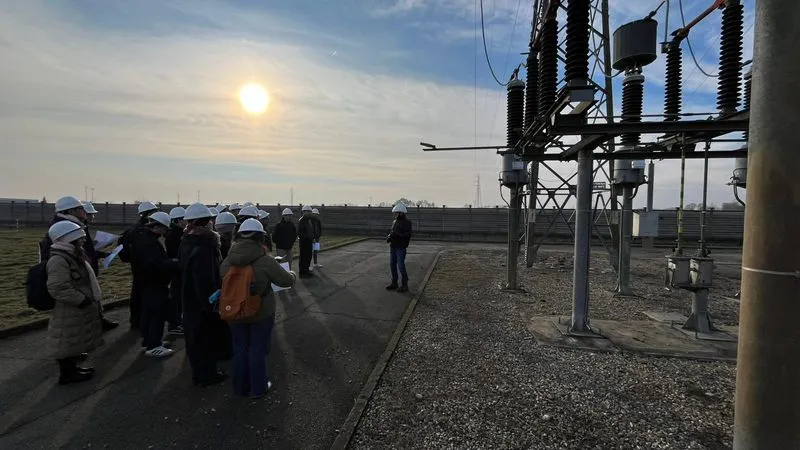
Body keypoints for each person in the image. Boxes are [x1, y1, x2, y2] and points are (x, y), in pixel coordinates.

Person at [221, 219, 296, 398]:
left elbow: (221, 276)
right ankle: (258, 388)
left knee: (240, 349)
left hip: (234, 311)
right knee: (257, 349)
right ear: (260, 236)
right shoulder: (265, 260)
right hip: (260, 311)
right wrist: (292, 274)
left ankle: (240, 388)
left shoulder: (228, 259)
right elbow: (285, 280)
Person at [39, 196, 118, 332]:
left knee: (89, 295)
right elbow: (66, 251)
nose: (85, 212)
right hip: (73, 273)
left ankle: (97, 321)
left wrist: (98, 255)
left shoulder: (76, 224)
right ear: (71, 211)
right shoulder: (65, 227)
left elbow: (84, 249)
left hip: (80, 269)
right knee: (75, 305)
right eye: (81, 208)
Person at [45, 221, 103, 385]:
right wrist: (81, 300)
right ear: (68, 239)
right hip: (69, 307)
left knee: (73, 338)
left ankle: (73, 369)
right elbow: (58, 287)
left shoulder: (72, 255)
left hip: (75, 306)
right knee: (66, 340)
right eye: (79, 238)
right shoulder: (59, 260)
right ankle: (67, 374)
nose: (83, 241)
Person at [179, 203, 228, 386]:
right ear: (207, 222)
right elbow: (206, 279)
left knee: (195, 337)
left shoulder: (186, 240)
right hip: (203, 300)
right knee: (205, 337)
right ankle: (206, 375)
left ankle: (200, 372)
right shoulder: (205, 245)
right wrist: (212, 302)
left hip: (189, 297)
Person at [132, 212, 179, 357]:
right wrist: (172, 263)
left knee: (148, 313)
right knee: (156, 315)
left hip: (146, 282)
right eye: (164, 229)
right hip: (154, 283)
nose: (164, 232)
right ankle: (154, 345)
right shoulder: (149, 243)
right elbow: (154, 264)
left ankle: (149, 341)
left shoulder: (142, 238)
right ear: (157, 227)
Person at [119, 201, 159, 330]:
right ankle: (141, 323)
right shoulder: (142, 231)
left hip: (137, 266)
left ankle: (136, 321)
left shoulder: (132, 229)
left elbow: (124, 250)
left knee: (137, 293)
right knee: (143, 295)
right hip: (144, 267)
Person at [165, 207, 186, 335]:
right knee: (176, 298)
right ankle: (174, 324)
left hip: (178, 269)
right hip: (177, 270)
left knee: (178, 297)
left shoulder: (177, 233)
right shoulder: (175, 235)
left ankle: (177, 321)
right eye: (184, 219)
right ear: (178, 220)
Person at [386, 202, 412, 293]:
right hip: (393, 246)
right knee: (392, 264)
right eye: (395, 213)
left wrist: (398, 235)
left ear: (401, 213)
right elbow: (392, 232)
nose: (395, 215)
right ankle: (394, 283)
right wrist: (389, 237)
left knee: (400, 265)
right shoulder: (395, 222)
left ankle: (405, 285)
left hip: (401, 247)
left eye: (396, 213)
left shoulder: (407, 223)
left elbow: (408, 235)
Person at [297, 205, 316, 278]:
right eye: (307, 211)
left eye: (309, 211)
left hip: (309, 242)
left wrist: (312, 237)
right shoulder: (301, 220)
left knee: (308, 256)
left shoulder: (309, 220)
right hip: (303, 242)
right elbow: (300, 232)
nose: (308, 213)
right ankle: (302, 272)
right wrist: (308, 237)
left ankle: (306, 270)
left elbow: (311, 231)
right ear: (303, 212)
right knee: (303, 257)